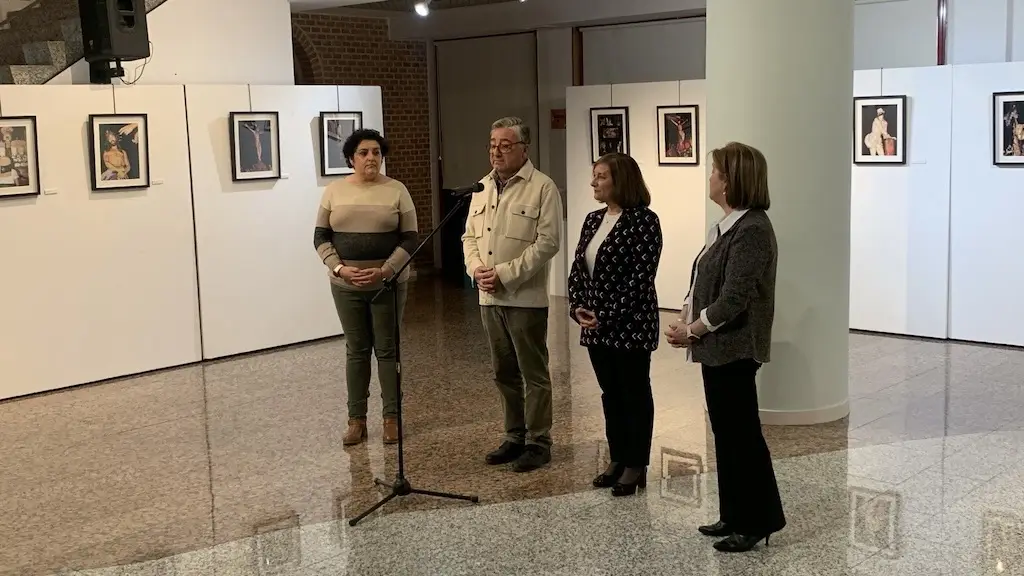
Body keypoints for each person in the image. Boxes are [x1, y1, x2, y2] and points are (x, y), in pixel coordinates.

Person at [665, 141, 786, 553]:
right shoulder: (729, 223)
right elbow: (703, 280)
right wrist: (687, 316)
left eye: (715, 171)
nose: (710, 177)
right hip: (717, 348)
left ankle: (757, 520)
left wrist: (693, 330)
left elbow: (734, 300)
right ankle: (734, 513)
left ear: (731, 179)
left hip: (734, 347)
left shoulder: (752, 229)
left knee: (742, 436)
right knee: (727, 434)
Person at [462, 116, 563, 473]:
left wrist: (504, 275)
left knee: (532, 372)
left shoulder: (542, 188)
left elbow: (548, 243)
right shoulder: (482, 187)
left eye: (505, 145)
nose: (497, 152)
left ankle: (539, 441)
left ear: (524, 148)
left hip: (524, 297)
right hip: (489, 298)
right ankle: (514, 435)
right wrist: (477, 270)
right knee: (503, 371)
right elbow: (469, 238)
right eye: (492, 145)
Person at [314, 128, 418, 447]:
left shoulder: (396, 190)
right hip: (345, 285)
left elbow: (411, 238)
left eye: (376, 152)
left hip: (387, 283)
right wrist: (341, 269)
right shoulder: (333, 191)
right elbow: (321, 237)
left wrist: (385, 270)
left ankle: (391, 418)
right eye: (363, 153)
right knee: (356, 350)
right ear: (351, 158)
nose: (371, 158)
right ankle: (356, 421)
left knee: (387, 350)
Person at [568, 153, 662, 497]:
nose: (594, 182)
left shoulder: (644, 221)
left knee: (634, 394)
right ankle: (617, 458)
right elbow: (578, 268)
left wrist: (605, 315)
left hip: (630, 325)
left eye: (601, 176)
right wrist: (578, 307)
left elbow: (640, 279)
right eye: (594, 176)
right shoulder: (593, 219)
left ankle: (636, 464)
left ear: (620, 180)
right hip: (595, 327)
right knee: (611, 395)